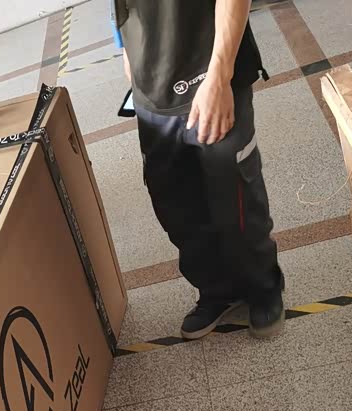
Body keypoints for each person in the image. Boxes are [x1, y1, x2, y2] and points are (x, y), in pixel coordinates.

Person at [112, 0, 284, 339]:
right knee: (177, 206)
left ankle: (263, 288)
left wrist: (219, 77)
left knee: (235, 200)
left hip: (211, 73)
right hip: (151, 86)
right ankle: (218, 291)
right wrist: (127, 53)